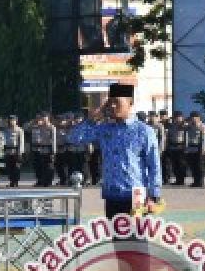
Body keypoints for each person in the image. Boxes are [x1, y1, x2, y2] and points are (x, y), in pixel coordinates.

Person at [68, 84, 161, 219]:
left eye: (116, 102)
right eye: (110, 103)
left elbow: (154, 165)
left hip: (136, 195)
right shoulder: (104, 129)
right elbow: (74, 138)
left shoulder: (144, 131)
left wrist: (154, 196)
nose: (112, 106)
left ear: (130, 103)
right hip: (112, 194)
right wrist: (92, 119)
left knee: (136, 237)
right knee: (116, 238)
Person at [30, 113, 57, 187]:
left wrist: (53, 152)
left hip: (49, 149)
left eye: (45, 118)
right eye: (42, 118)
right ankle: (42, 181)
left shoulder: (52, 127)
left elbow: (54, 140)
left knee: (50, 167)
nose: (43, 119)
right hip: (41, 150)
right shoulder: (39, 127)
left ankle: (49, 181)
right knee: (42, 167)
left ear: (48, 118)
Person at [183, 112, 205, 187]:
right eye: (192, 117)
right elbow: (186, 136)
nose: (193, 119)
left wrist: (204, 149)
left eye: (195, 117)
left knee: (200, 166)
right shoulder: (189, 126)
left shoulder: (203, 126)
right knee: (192, 165)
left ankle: (200, 181)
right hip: (191, 148)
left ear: (199, 118)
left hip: (200, 148)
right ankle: (195, 181)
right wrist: (186, 148)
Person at [2, 116, 25, 188]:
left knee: (16, 168)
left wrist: (20, 153)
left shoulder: (19, 130)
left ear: (16, 121)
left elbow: (21, 142)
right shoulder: (6, 130)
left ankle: (16, 181)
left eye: (13, 120)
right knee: (9, 167)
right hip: (8, 151)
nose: (11, 122)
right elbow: (3, 140)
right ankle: (11, 181)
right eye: (10, 120)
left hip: (16, 151)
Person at [164, 112, 187, 185]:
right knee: (174, 165)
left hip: (181, 147)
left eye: (179, 117)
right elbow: (168, 136)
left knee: (181, 164)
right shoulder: (171, 126)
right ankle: (177, 179)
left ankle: (181, 180)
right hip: (172, 147)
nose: (177, 119)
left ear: (182, 117)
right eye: (176, 117)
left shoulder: (185, 125)